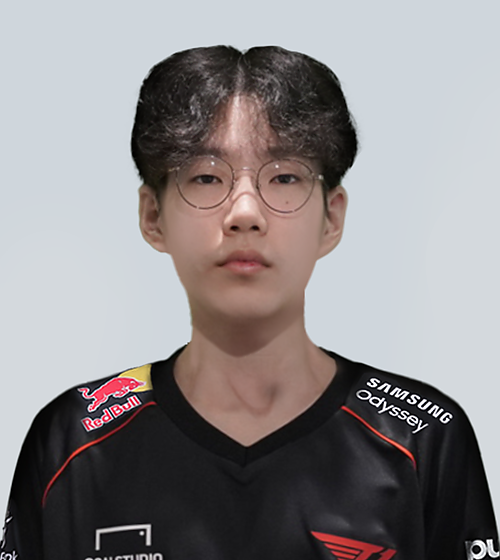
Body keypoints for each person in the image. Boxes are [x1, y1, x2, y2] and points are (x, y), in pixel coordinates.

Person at [1, 45, 497, 560]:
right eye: (206, 177)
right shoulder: (72, 442)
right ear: (153, 216)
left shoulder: (421, 439)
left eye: (283, 177)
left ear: (331, 218)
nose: (244, 213)